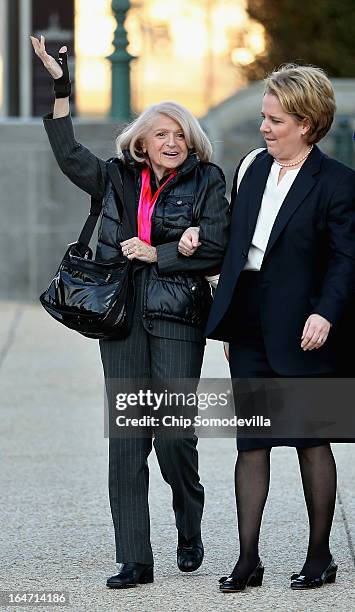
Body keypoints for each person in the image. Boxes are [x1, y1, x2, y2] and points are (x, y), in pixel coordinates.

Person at [30, 36, 230, 589]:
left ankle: (188, 530)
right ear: (140, 141)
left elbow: (218, 248)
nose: (172, 141)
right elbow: (69, 153)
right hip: (119, 324)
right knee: (127, 443)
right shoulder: (116, 178)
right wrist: (62, 88)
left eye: (180, 135)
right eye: (161, 133)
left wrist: (163, 252)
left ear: (191, 143)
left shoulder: (207, 182)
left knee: (173, 437)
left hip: (177, 319)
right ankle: (135, 558)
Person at [179, 64, 355, 591]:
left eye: (275, 120)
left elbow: (348, 259)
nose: (264, 127)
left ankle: (320, 556)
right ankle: (247, 560)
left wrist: (326, 313)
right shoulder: (252, 166)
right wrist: (195, 237)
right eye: (263, 117)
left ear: (306, 123)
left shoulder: (339, 183)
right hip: (250, 319)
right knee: (251, 443)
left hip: (306, 325)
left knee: (308, 439)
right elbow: (235, 238)